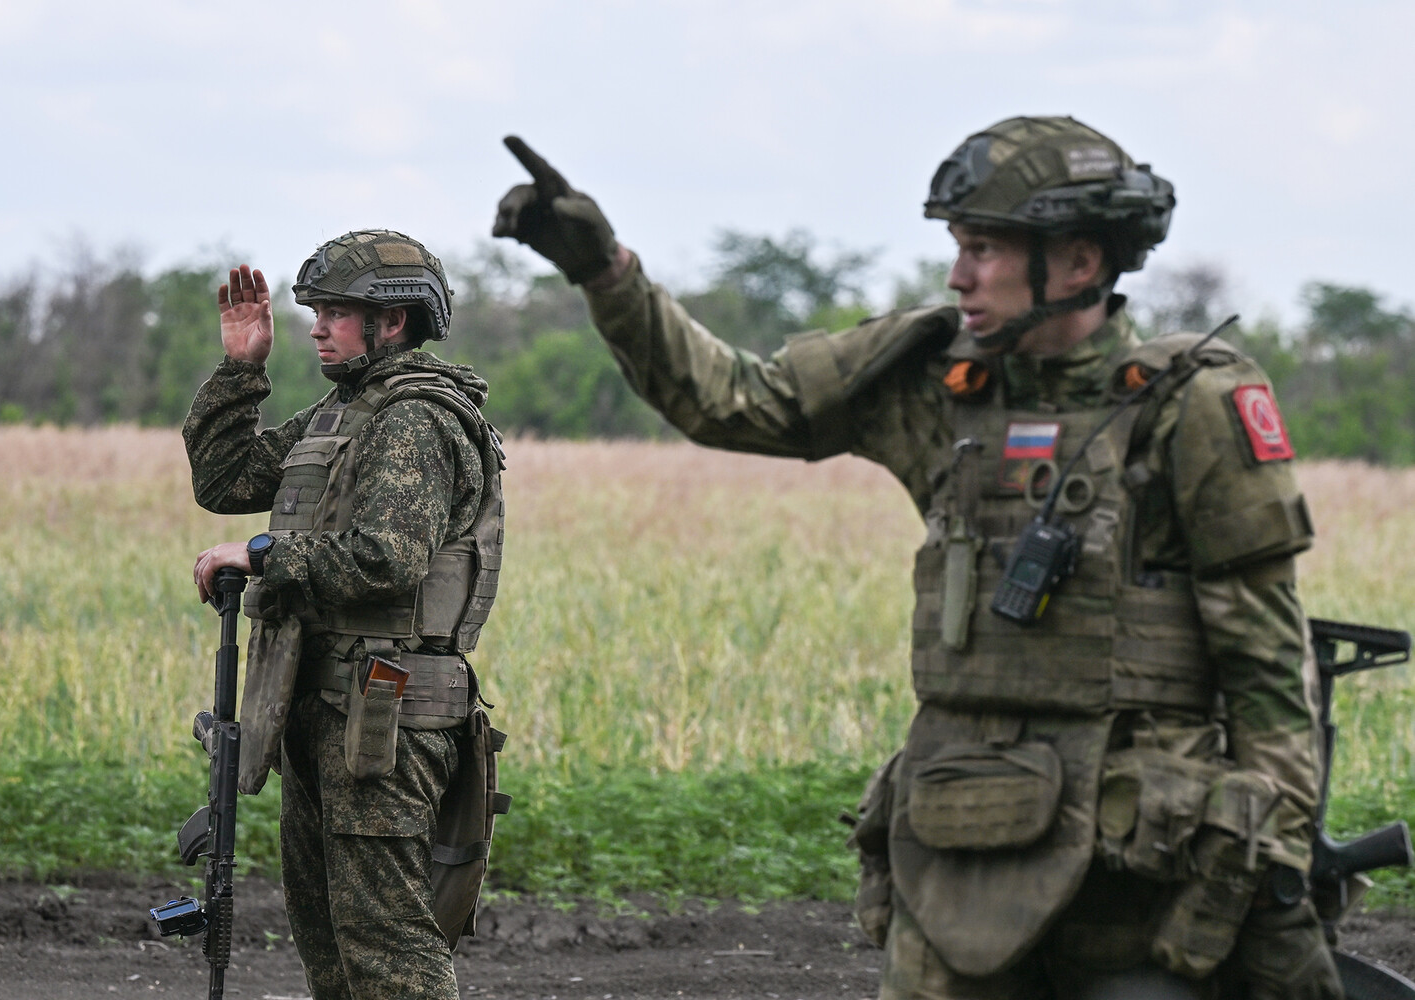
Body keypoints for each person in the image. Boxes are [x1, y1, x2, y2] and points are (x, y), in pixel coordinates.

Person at [493, 120, 1337, 998]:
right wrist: (606, 275)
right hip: (956, 843)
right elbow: (730, 400)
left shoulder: (1189, 408)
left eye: (983, 248)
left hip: (1140, 863)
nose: (957, 274)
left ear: (1080, 262)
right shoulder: (935, 381)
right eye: (956, 246)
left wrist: (1271, 855)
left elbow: (1268, 662)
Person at [184, 230, 506, 1000]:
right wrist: (240, 371)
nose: (317, 326)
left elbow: (387, 556)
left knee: (387, 947)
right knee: (329, 942)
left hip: (383, 716)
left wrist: (261, 557)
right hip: (324, 704)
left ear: (391, 322)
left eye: (336, 311)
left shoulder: (416, 419)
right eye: (316, 310)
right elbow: (227, 478)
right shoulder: (344, 413)